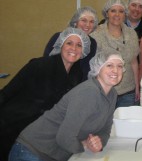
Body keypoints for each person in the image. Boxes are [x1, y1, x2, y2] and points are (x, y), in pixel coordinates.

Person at [9, 49, 125, 161]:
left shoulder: (112, 94)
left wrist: (99, 142)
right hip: (32, 151)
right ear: (98, 68)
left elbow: (105, 130)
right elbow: (64, 138)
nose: (115, 70)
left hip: (53, 154)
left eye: (119, 66)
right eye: (109, 65)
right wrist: (84, 145)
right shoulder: (89, 92)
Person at [0, 27, 91, 161]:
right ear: (60, 45)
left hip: (36, 136)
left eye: (79, 45)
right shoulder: (39, 65)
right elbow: (8, 91)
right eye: (69, 43)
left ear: (84, 51)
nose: (74, 48)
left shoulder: (76, 75)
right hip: (12, 125)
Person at [91, 0, 140, 107]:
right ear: (107, 13)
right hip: (104, 90)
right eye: (113, 11)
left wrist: (137, 86)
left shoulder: (132, 34)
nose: (117, 14)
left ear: (125, 14)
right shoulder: (96, 34)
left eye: (121, 11)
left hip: (128, 91)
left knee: (125, 123)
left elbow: (134, 62)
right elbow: (93, 66)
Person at [44, 6, 98, 80]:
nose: (87, 25)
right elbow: (46, 63)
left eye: (91, 22)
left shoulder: (92, 43)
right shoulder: (59, 37)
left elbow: (87, 70)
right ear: (75, 22)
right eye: (83, 20)